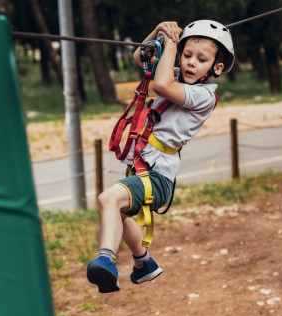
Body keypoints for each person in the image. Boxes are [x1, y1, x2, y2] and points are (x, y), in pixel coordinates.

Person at [86, 20, 234, 293]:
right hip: (143, 166)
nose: (190, 62)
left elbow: (162, 86)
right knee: (115, 211)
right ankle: (144, 264)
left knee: (108, 198)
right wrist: (158, 32)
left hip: (159, 175)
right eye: (187, 55)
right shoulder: (176, 73)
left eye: (201, 59)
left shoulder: (203, 95)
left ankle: (106, 260)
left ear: (217, 68)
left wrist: (173, 45)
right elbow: (139, 57)